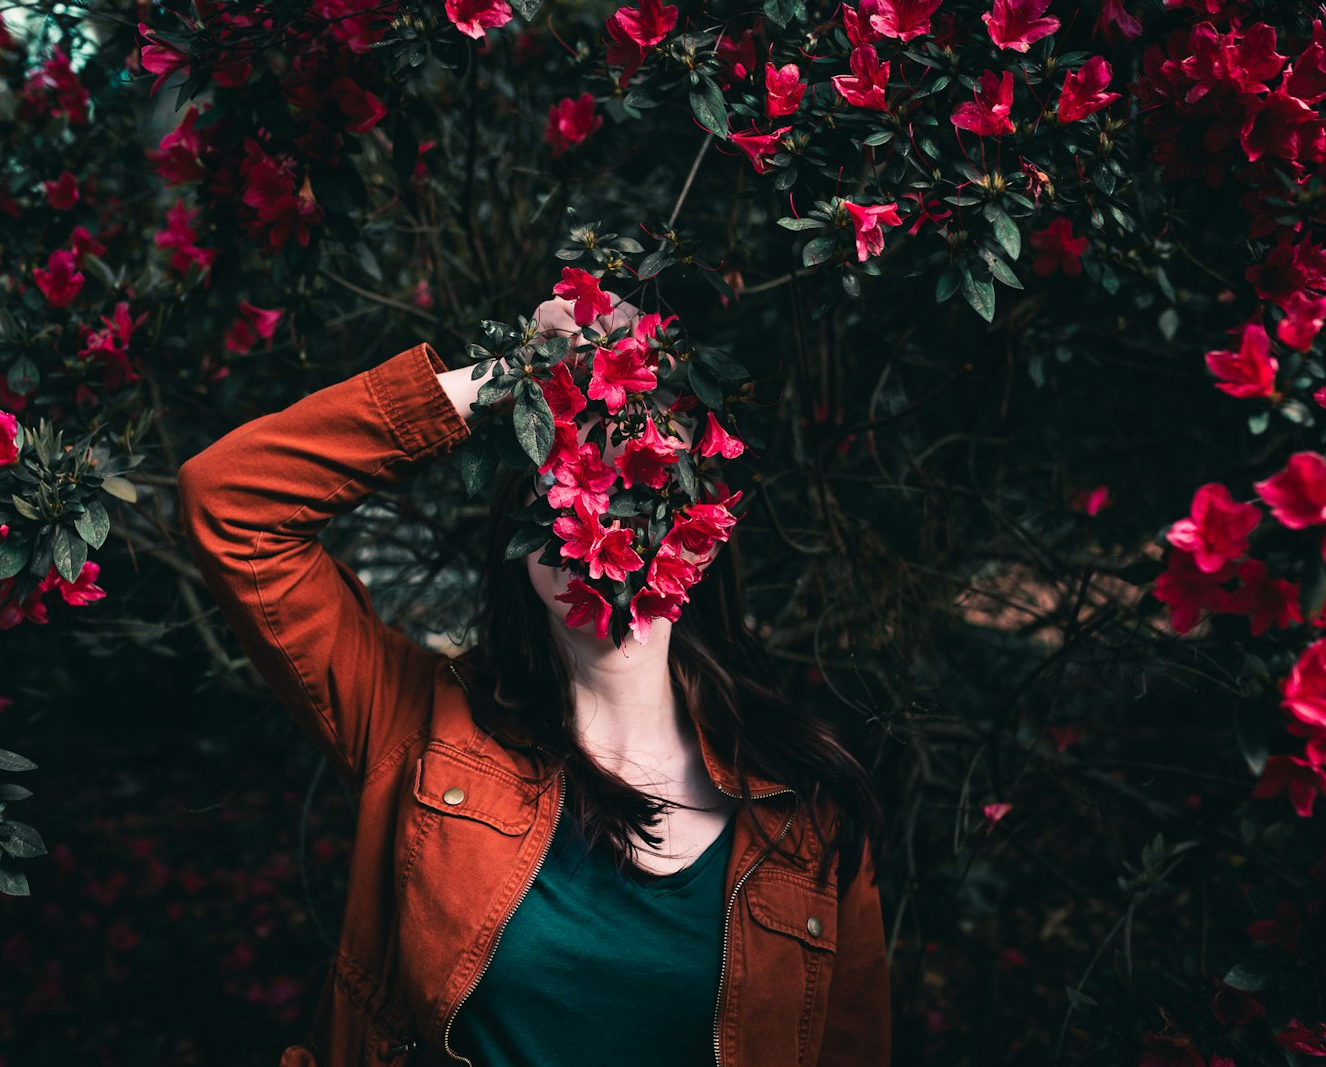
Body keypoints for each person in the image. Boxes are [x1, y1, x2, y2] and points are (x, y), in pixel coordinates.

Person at [176, 294, 892, 1066]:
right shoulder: (416, 727)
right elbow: (232, 501)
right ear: (519, 534)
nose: (604, 511)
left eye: (644, 478)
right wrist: (508, 378)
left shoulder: (810, 813)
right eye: (571, 471)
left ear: (705, 535)